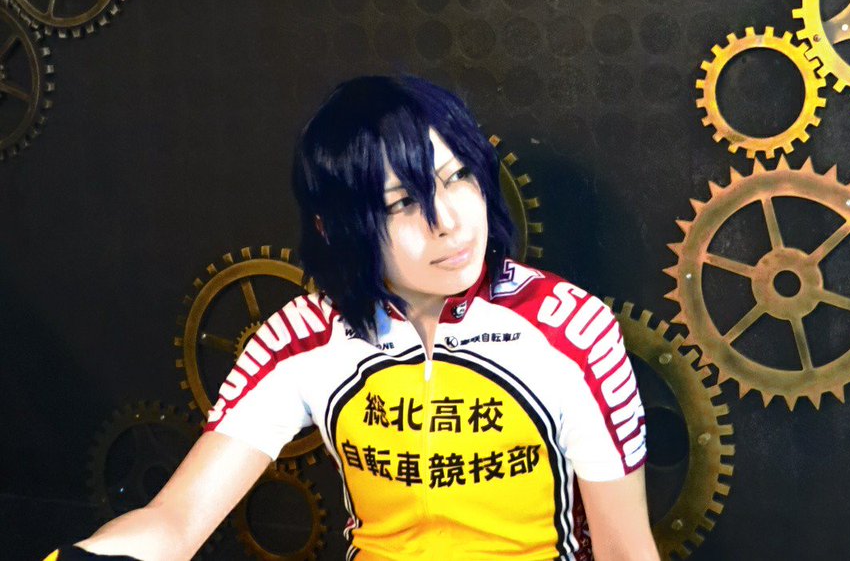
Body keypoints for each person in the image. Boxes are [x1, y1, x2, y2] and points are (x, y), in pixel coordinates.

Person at [47, 74, 659, 561]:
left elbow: (626, 551)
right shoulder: (301, 339)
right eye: (403, 203)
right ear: (333, 228)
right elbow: (175, 521)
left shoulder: (571, 331)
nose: (448, 222)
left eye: (458, 177)